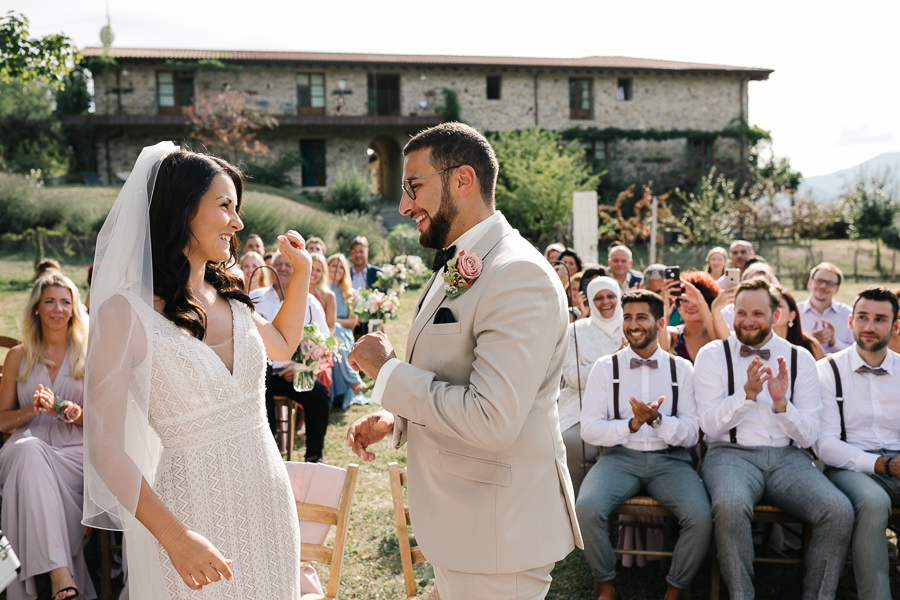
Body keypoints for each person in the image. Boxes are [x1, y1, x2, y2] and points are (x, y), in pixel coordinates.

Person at [346, 122, 581, 600]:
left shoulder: (517, 275)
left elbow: (492, 418)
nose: (404, 205)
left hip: (500, 537)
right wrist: (398, 417)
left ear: (463, 180)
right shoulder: (464, 261)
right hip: (469, 530)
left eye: (413, 186)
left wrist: (388, 371)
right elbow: (460, 378)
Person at [82, 142, 312, 600]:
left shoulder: (230, 293)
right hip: (189, 513)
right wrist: (173, 537)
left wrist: (301, 274)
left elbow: (284, 343)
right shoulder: (122, 314)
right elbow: (105, 447)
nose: (238, 221)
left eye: (237, 207)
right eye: (225, 205)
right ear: (183, 208)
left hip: (268, 498)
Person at [693, 277, 853, 600]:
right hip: (730, 454)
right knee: (729, 505)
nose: (747, 321)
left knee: (838, 511)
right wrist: (747, 395)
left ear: (776, 316)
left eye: (757, 313)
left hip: (788, 458)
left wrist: (782, 404)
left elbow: (809, 434)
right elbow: (709, 427)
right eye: (740, 313)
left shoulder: (801, 359)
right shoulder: (712, 355)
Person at [577, 289, 710, 600]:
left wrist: (658, 421)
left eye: (641, 317)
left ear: (661, 323)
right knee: (586, 508)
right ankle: (607, 584)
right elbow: (589, 430)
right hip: (618, 459)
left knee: (701, 517)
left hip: (671, 462)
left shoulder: (682, 370)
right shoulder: (605, 368)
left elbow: (692, 433)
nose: (633, 324)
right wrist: (632, 425)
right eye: (627, 318)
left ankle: (674, 589)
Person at [0, 272, 93, 600]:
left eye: (65, 302)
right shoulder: (18, 356)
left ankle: (36, 583)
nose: (58, 308)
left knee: (33, 467)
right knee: (28, 452)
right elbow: (2, 421)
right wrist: (31, 412)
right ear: (37, 308)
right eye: (50, 301)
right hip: (24, 450)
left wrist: (72, 411)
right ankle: (60, 573)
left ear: (74, 308)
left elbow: (107, 419)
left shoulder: (88, 353)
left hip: (75, 454)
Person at [814, 286, 900, 600]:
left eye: (880, 319)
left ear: (896, 326)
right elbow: (824, 444)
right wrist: (881, 464)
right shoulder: (827, 371)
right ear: (850, 321)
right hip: (851, 466)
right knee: (874, 504)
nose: (869, 327)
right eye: (862, 317)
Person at [251, 251, 332, 462]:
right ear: (271, 268)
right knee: (259, 394)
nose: (283, 268)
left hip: (298, 370)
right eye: (279, 264)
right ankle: (270, 457)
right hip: (262, 372)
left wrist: (301, 365)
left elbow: (325, 340)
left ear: (296, 269)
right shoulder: (255, 298)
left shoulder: (310, 301)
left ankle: (314, 456)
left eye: (288, 264)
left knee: (318, 394)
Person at [559, 276, 623, 494]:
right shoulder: (576, 331)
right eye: (599, 298)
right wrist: (612, 360)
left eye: (611, 296)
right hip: (581, 404)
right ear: (590, 302)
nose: (605, 302)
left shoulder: (632, 326)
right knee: (573, 443)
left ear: (619, 297)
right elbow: (572, 377)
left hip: (624, 404)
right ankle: (577, 509)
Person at [327, 253, 367, 409]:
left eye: (341, 267)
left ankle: (347, 385)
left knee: (337, 335)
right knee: (333, 338)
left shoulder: (349, 293)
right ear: (327, 267)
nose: (337, 270)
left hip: (343, 333)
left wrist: (334, 321)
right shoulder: (322, 290)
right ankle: (353, 380)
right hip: (326, 332)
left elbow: (352, 322)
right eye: (333, 266)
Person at [665, 271, 721, 363]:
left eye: (694, 300)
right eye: (685, 301)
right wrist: (664, 311)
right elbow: (662, 349)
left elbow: (721, 347)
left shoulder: (717, 334)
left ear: (708, 304)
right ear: (678, 306)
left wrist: (701, 303)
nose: (690, 306)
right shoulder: (673, 335)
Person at [797, 262, 853, 354]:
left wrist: (834, 342)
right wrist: (810, 342)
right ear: (810, 283)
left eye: (829, 283)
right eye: (819, 281)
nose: (823, 286)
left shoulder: (848, 314)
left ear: (837, 289)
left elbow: (857, 352)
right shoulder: (795, 312)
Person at [772, 286, 825, 360]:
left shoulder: (811, 346)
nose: (773, 311)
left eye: (779, 306)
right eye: (769, 306)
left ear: (792, 316)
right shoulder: (757, 347)